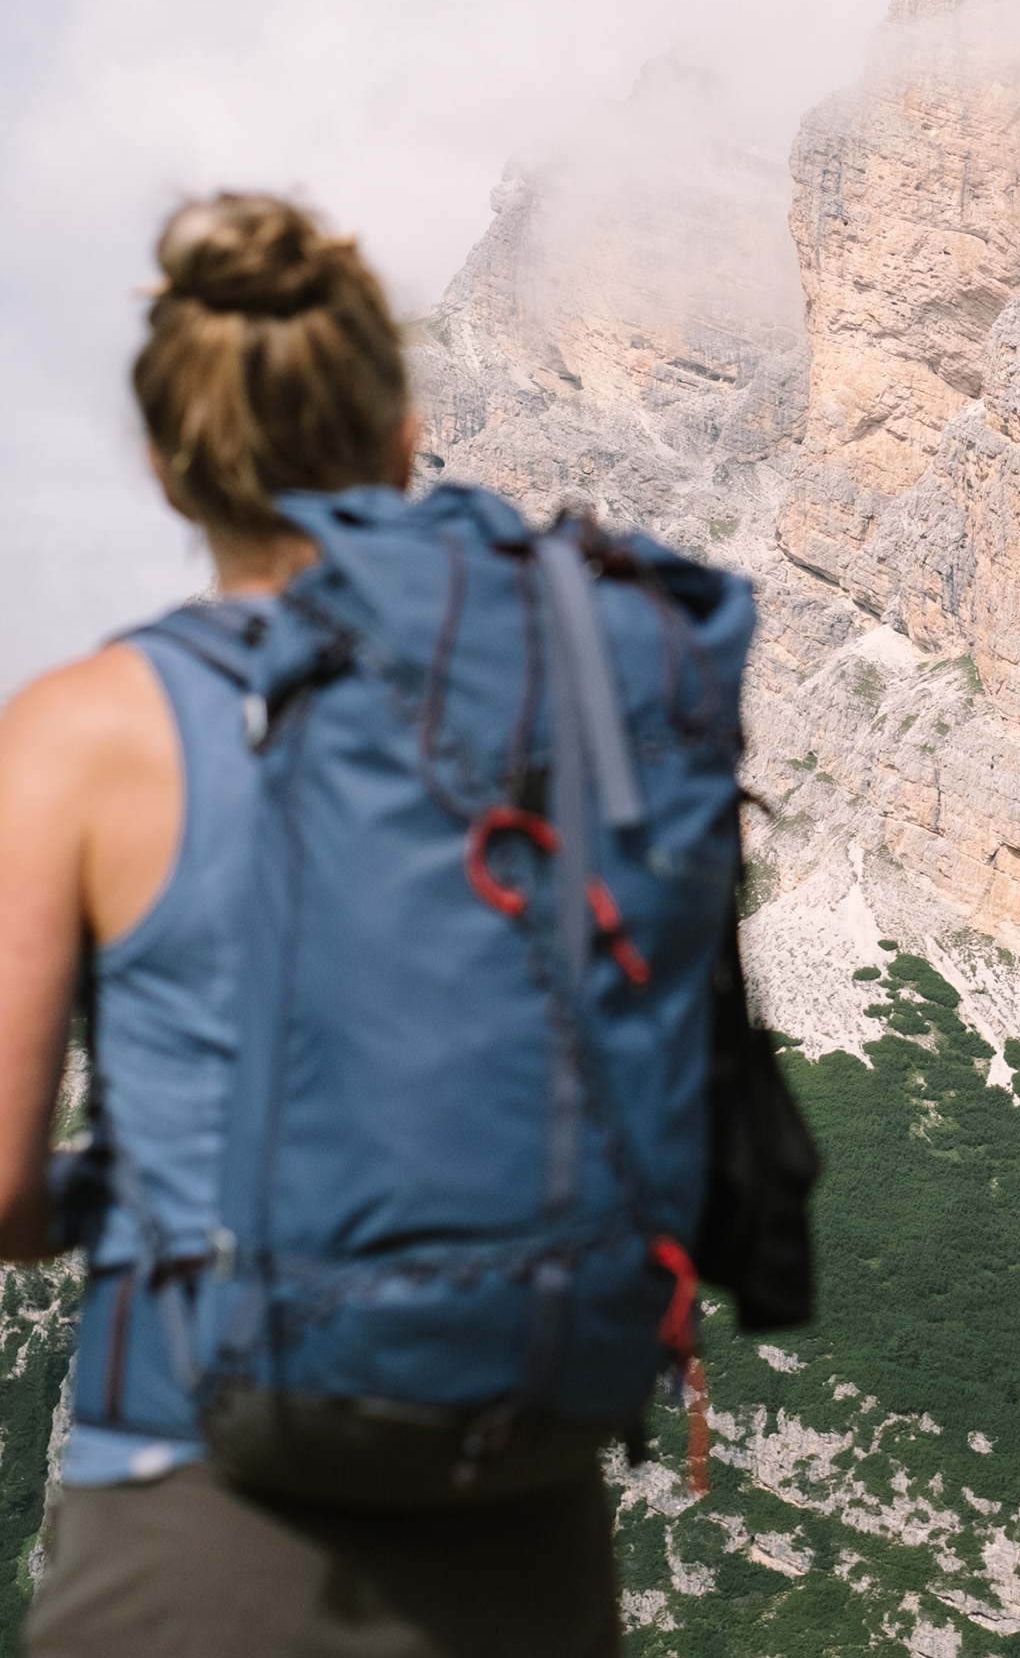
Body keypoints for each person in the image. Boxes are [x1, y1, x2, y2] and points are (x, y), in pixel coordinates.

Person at [0, 193, 622, 1657]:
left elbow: (2, 1196)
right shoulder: (563, 713)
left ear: (169, 467)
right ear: (405, 444)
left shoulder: (78, 737)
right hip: (517, 1514)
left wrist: (159, 1190)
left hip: (190, 1510)